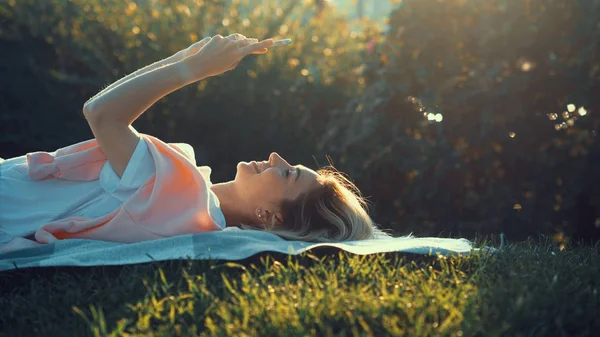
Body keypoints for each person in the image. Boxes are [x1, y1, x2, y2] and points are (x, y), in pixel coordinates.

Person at [0, 33, 391, 250]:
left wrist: (192, 69)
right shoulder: (190, 202)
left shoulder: (185, 196)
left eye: (287, 174)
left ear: (268, 218)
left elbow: (100, 113)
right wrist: (184, 57)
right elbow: (103, 112)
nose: (275, 156)